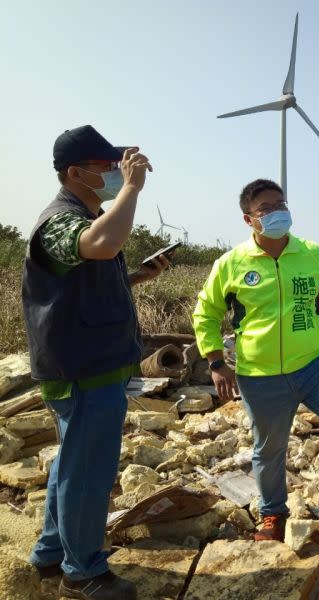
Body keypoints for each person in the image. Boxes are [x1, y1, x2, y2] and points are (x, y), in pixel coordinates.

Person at [23, 125, 168, 600]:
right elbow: (99, 245)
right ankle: (82, 572)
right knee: (87, 472)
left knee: (73, 463)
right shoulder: (60, 221)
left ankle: (50, 554)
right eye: (105, 167)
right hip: (80, 371)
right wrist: (131, 188)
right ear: (74, 173)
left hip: (93, 364)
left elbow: (90, 279)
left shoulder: (88, 219)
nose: (113, 172)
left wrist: (138, 275)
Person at [192, 178, 319, 542]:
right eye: (266, 208)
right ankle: (272, 516)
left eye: (281, 204)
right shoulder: (231, 264)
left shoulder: (313, 254)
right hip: (258, 375)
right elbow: (205, 314)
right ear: (249, 220)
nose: (278, 212)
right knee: (269, 448)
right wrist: (216, 363)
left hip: (312, 365)